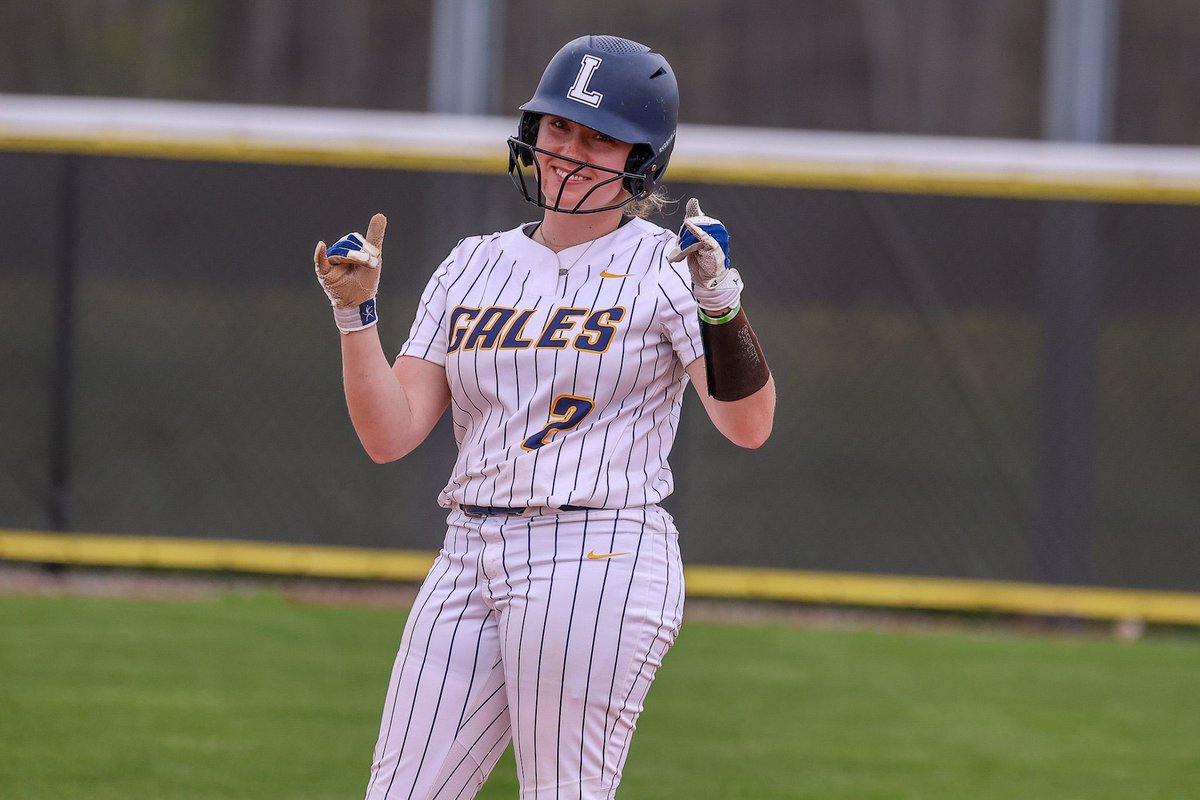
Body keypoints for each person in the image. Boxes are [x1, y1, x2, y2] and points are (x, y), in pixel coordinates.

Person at [313, 34, 775, 800]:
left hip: (596, 548)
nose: (569, 149)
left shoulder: (665, 267)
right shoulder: (472, 262)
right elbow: (389, 434)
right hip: (469, 549)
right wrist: (355, 314)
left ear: (642, 160)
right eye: (558, 125)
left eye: (598, 136)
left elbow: (748, 425)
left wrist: (720, 303)